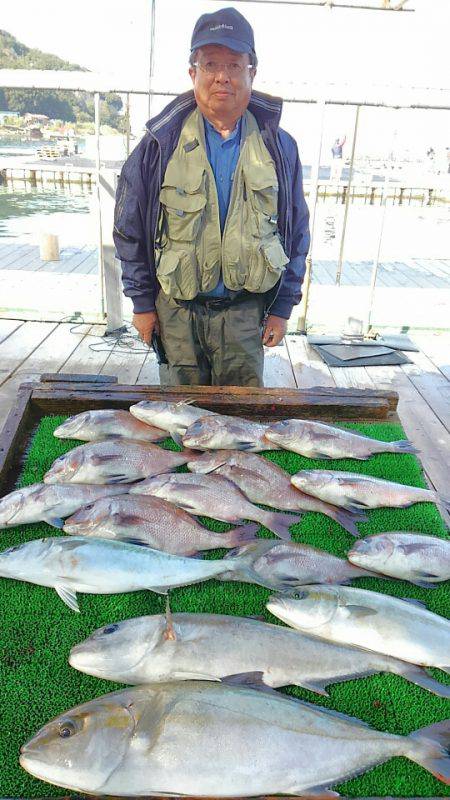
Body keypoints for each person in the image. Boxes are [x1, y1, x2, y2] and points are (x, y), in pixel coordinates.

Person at [113, 7, 310, 386]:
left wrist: (282, 307)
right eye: (210, 64)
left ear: (253, 72)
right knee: (182, 424)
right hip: (176, 314)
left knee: (240, 426)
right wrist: (141, 304)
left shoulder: (280, 147)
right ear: (193, 73)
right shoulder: (159, 144)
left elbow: (296, 232)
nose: (223, 76)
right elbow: (129, 230)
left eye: (235, 66)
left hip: (244, 315)